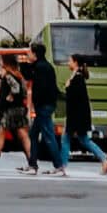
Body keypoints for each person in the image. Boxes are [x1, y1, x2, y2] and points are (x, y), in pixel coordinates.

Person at [66, 55, 107, 175]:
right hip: (78, 116)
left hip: (77, 116)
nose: (68, 63)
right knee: (84, 140)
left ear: (75, 63)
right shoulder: (78, 76)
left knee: (66, 139)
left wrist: (68, 87)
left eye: (70, 61)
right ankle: (104, 160)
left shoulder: (77, 78)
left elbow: (75, 98)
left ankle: (61, 166)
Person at [25, 42, 65, 175]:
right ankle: (32, 165)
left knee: (48, 136)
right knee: (34, 134)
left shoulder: (41, 68)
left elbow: (41, 89)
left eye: (29, 52)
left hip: (44, 106)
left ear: (35, 54)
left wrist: (36, 106)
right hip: (45, 106)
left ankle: (58, 166)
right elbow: (28, 75)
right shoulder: (43, 66)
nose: (27, 54)